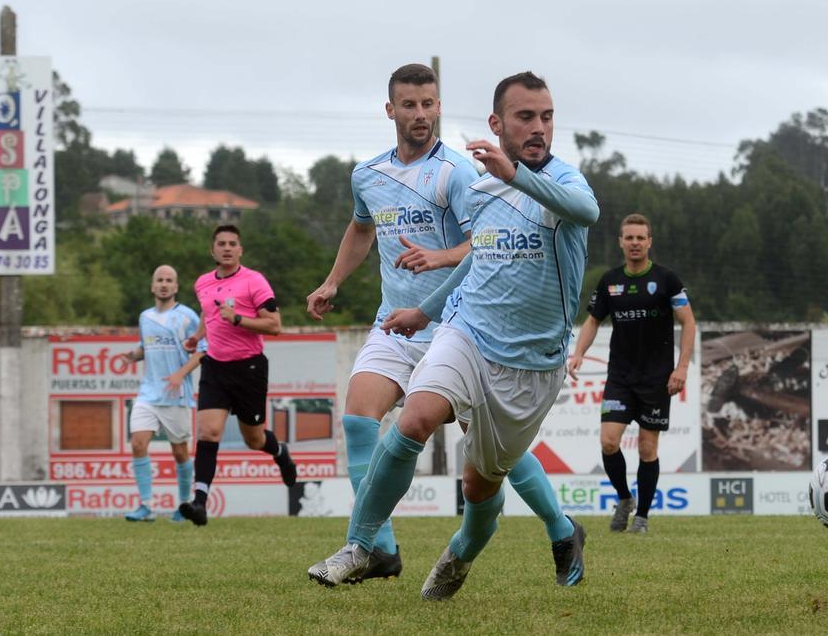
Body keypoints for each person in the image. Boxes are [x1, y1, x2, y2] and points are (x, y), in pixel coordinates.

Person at [308, 71, 597, 601]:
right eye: (525, 116)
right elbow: (478, 263)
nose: (538, 127)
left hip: (532, 364)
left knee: (480, 485)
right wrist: (424, 310)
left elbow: (587, 212)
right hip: (464, 332)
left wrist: (516, 175)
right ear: (497, 123)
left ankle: (472, 548)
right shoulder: (483, 186)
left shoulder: (563, 181)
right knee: (414, 417)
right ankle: (362, 545)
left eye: (547, 116)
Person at [567, 213, 696, 534]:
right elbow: (594, 321)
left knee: (647, 449)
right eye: (630, 238)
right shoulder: (610, 281)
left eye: (641, 238)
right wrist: (579, 352)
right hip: (620, 377)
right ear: (621, 242)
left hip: (657, 377)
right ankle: (624, 499)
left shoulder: (667, 280)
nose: (635, 243)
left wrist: (681, 368)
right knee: (609, 442)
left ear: (649, 242)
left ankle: (642, 517)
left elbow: (689, 323)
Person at [177, 224, 296, 526]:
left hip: (249, 368)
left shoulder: (254, 282)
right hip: (215, 366)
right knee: (208, 432)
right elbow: (209, 313)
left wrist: (239, 319)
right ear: (212, 250)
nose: (227, 248)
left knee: (254, 440)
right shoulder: (203, 283)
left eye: (232, 243)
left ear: (240, 250)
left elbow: (275, 325)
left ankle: (280, 452)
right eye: (221, 243)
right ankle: (200, 502)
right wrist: (197, 337)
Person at [121, 265, 204, 522]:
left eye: (169, 280)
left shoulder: (187, 316)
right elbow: (145, 347)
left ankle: (183, 506)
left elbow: (202, 349)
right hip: (148, 393)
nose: (164, 284)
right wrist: (131, 356)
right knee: (137, 444)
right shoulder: (145, 317)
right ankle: (145, 506)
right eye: (160, 280)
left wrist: (180, 373)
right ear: (152, 286)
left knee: (179, 452)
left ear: (176, 287)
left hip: (175, 395)